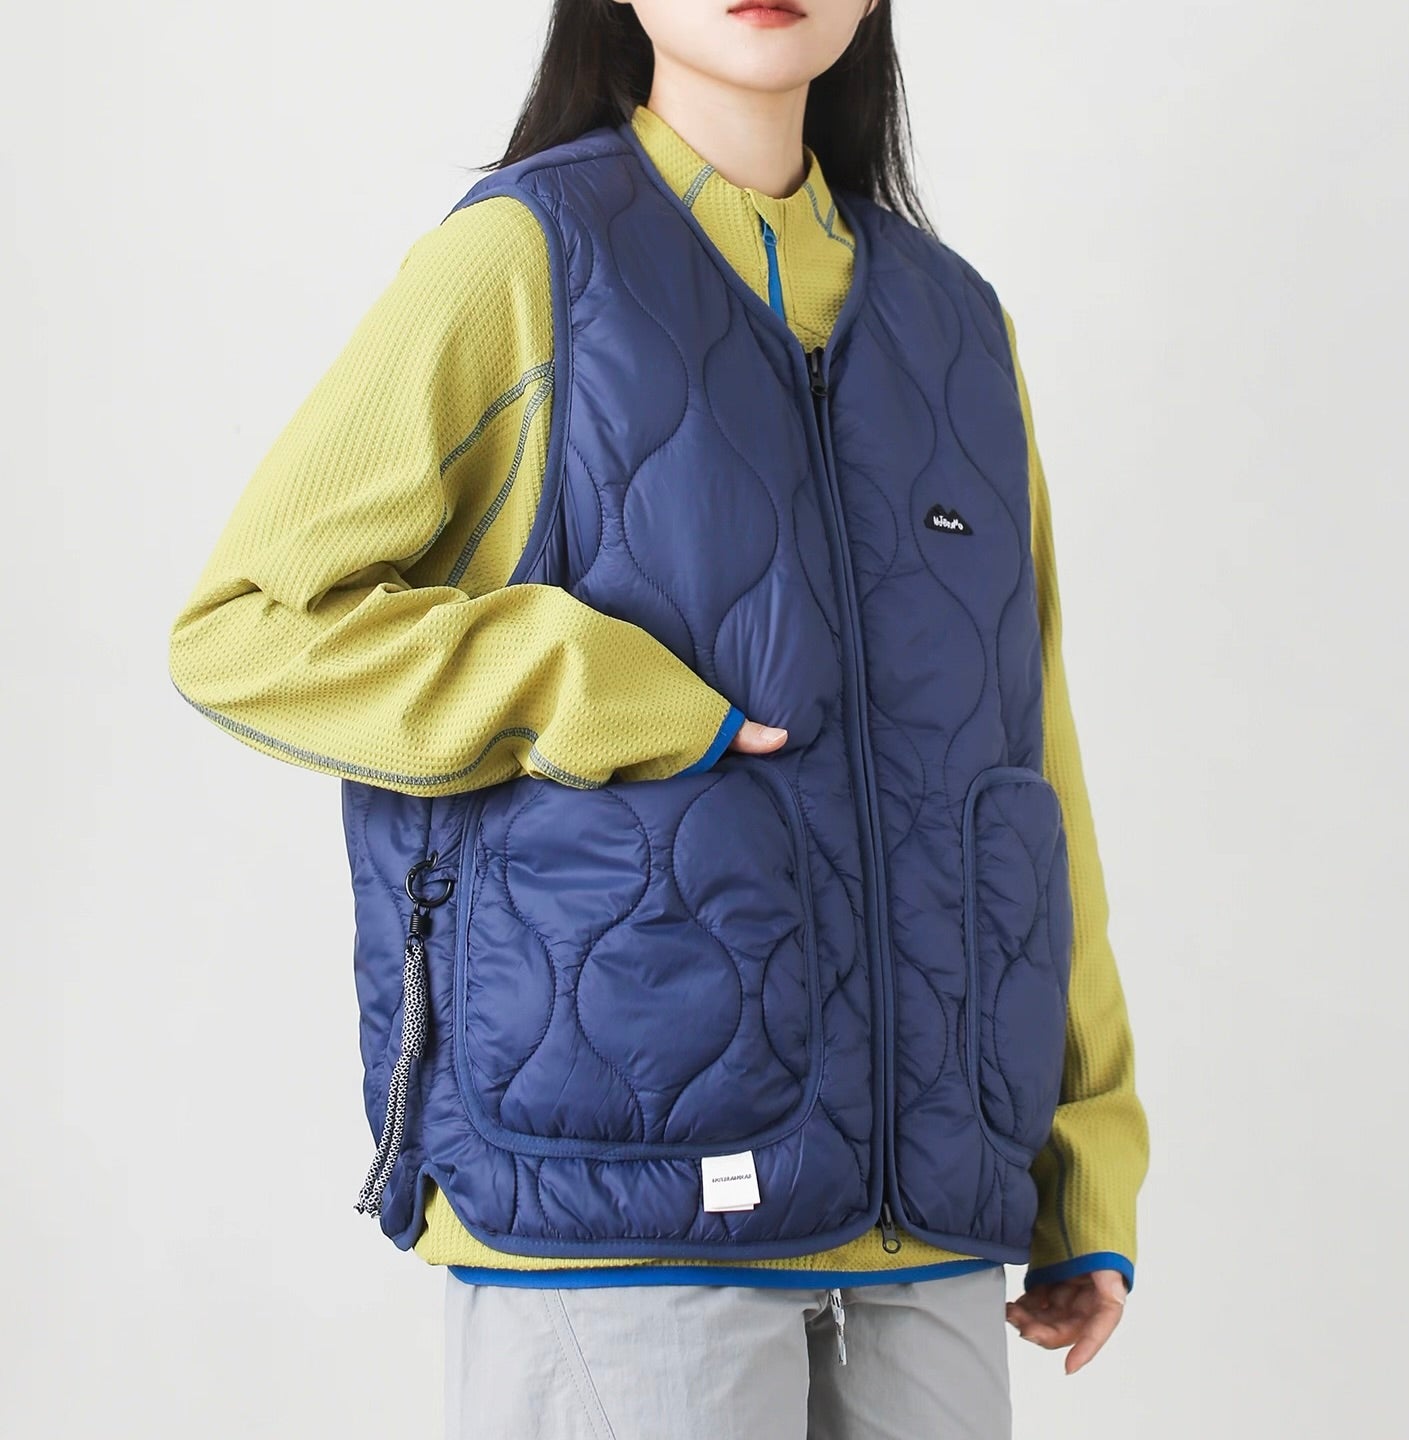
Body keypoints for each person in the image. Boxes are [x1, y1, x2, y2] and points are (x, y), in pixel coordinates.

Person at [168, 1, 1149, 1434]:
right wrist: (581, 681)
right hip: (616, 1200)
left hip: (928, 1219)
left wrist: (1083, 1160)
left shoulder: (957, 326)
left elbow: (1030, 767)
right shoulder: (525, 259)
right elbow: (250, 625)